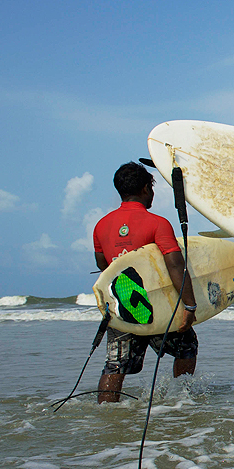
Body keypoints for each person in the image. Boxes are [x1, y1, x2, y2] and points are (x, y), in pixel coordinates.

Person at [92, 161, 198, 402]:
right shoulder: (157, 223)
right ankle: (182, 399)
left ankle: (106, 415)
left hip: (122, 306)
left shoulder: (101, 226)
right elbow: (175, 265)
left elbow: (103, 266)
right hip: (155, 305)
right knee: (187, 345)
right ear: (144, 189)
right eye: (151, 187)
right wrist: (189, 306)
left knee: (115, 365)